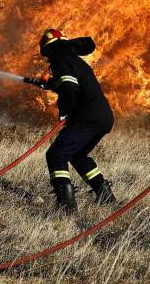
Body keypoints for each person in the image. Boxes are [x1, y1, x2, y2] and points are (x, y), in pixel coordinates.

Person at [34, 28, 116, 213]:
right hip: (102, 118)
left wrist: (64, 112)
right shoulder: (72, 59)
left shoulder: (60, 59)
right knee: (77, 155)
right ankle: (105, 195)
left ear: (49, 48)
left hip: (86, 117)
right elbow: (68, 83)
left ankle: (66, 207)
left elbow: (70, 88)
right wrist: (49, 83)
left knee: (56, 155)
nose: (48, 59)